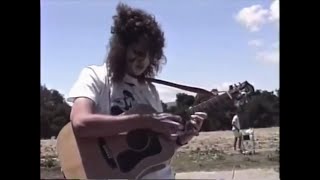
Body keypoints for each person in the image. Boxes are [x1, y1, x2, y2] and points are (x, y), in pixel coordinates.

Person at [65, 3, 207, 179]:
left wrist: (181, 139)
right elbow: (81, 124)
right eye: (138, 52)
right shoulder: (95, 76)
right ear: (121, 48)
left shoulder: (150, 90)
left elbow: (152, 152)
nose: (144, 61)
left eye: (150, 55)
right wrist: (144, 121)